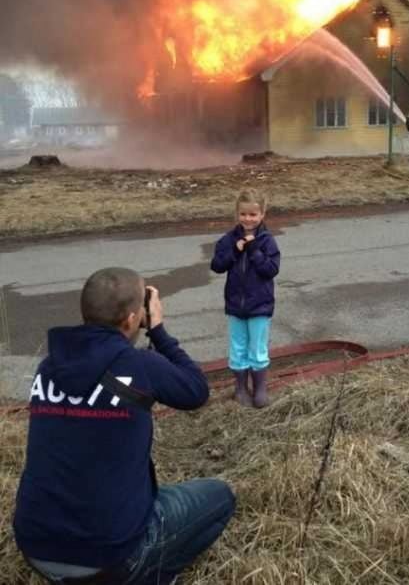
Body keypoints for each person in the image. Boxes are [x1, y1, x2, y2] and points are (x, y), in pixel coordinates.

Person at [13, 267, 235, 585]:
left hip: (36, 548)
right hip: (112, 558)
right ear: (133, 319)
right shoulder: (139, 366)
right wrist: (158, 330)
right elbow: (196, 391)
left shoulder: (49, 368)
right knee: (221, 497)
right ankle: (153, 575)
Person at [211, 188, 280, 409]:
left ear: (262, 215)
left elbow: (271, 269)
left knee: (258, 348)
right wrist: (235, 250)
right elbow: (217, 265)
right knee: (237, 347)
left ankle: (260, 388)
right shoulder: (228, 239)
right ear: (237, 214)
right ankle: (241, 387)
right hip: (235, 306)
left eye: (253, 214)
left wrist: (254, 251)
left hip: (260, 305)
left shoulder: (267, 241)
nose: (247, 219)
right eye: (243, 214)